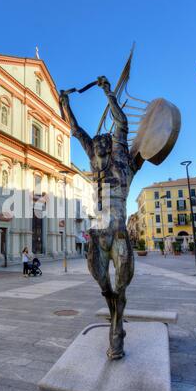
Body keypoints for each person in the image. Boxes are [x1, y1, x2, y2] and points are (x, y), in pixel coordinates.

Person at [60, 76, 141, 360]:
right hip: (99, 231)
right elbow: (75, 129)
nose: (99, 151)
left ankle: (117, 333)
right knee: (102, 283)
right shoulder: (95, 161)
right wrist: (65, 103)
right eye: (96, 149)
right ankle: (114, 312)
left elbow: (121, 123)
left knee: (121, 284)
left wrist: (108, 93)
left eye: (103, 146)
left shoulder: (120, 157)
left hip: (118, 230)